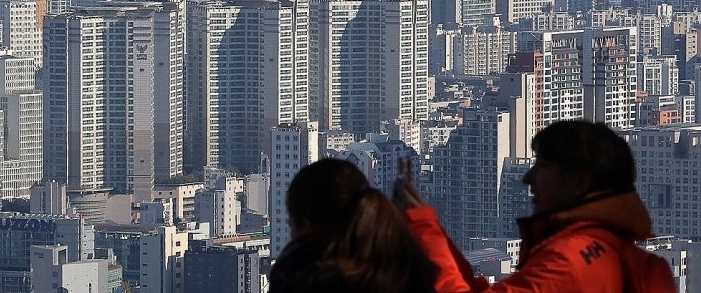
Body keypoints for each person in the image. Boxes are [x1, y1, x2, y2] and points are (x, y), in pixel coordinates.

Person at [396, 119, 677, 293]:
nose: (528, 178)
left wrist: (423, 226)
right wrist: (429, 229)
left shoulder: (568, 261)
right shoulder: (645, 265)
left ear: (579, 182)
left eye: (542, 167)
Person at [269, 157, 437, 293]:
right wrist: (424, 227)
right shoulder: (410, 271)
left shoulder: (295, 277)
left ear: (305, 225)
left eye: (291, 225)